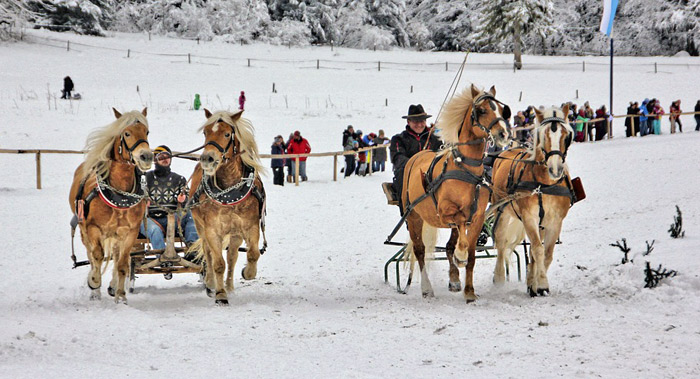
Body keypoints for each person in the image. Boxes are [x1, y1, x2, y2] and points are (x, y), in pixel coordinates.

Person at [140, 145, 199, 271]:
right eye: (161, 157)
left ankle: (193, 250)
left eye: (167, 157)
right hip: (149, 218)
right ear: (155, 160)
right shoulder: (145, 178)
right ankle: (162, 259)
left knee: (191, 215)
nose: (165, 159)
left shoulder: (179, 179)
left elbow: (187, 200)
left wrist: (183, 201)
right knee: (155, 230)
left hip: (174, 219)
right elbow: (136, 196)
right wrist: (143, 201)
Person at [384, 104, 442, 210]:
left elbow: (441, 154)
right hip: (408, 174)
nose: (419, 124)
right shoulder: (398, 139)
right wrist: (417, 165)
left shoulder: (434, 139)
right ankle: (406, 208)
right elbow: (397, 157)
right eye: (415, 121)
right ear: (408, 122)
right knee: (401, 172)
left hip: (430, 172)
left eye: (422, 121)